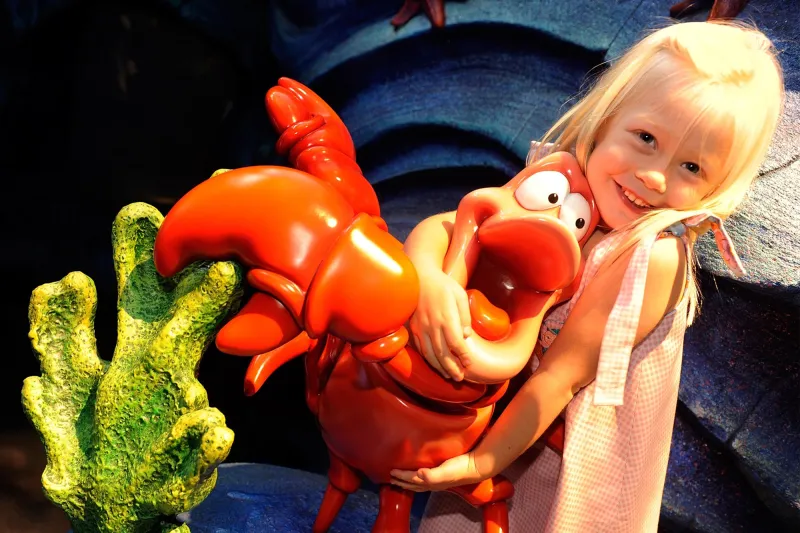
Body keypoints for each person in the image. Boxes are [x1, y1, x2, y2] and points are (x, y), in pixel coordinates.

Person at [389, 20, 784, 532]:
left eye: (691, 168)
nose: (655, 175)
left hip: (561, 458)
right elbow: (452, 225)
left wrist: (480, 464)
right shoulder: (562, 182)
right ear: (608, 118)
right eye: (645, 138)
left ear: (718, 185)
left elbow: (561, 376)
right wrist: (430, 279)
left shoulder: (651, 255)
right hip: (498, 414)